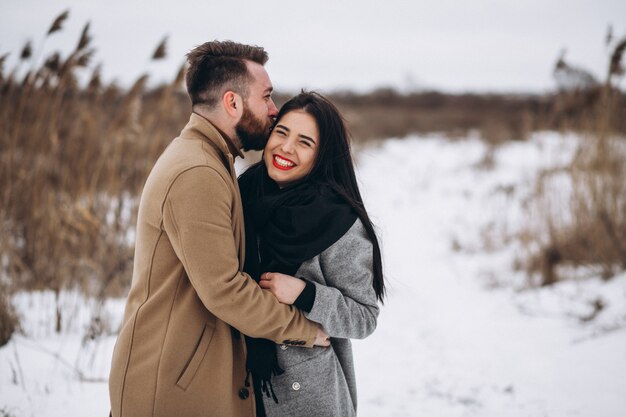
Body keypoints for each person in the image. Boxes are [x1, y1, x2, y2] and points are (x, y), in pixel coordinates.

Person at [108, 41, 329, 417]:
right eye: (267, 97)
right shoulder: (198, 172)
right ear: (232, 103)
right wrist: (304, 329)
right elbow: (225, 290)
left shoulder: (210, 157)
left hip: (185, 377)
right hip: (169, 389)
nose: (275, 111)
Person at [238, 92, 385, 417]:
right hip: (236, 384)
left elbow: (364, 318)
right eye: (282, 132)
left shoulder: (338, 223)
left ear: (322, 156)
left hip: (305, 395)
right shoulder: (243, 193)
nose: (286, 148)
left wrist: (306, 294)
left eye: (304, 142)